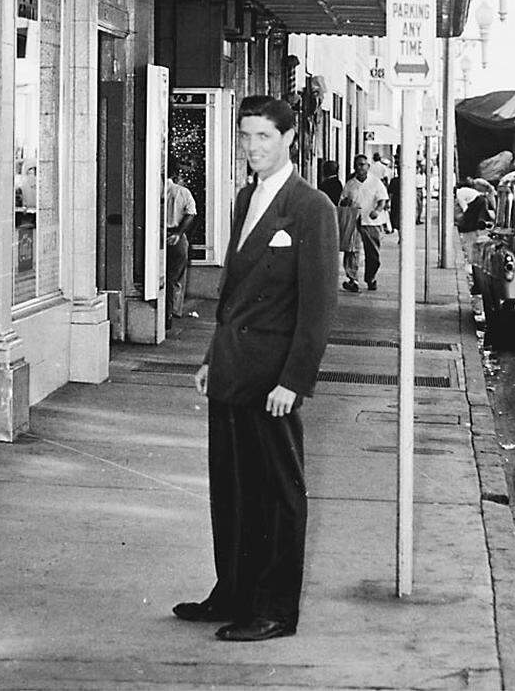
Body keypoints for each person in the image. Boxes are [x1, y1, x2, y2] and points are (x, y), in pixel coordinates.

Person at [173, 95, 338, 643]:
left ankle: (274, 609)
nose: (252, 147)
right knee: (232, 487)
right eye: (245, 136)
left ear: (289, 138)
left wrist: (294, 379)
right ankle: (234, 591)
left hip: (272, 377)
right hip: (233, 369)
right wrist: (210, 357)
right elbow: (233, 292)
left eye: (263, 136)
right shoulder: (246, 198)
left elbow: (318, 305)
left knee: (278, 493)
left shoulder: (311, 207)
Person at [338, 154, 388, 292]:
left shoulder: (376, 182)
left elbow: (383, 199)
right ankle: (352, 279)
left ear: (368, 166)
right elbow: (342, 200)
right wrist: (346, 203)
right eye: (358, 165)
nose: (360, 167)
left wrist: (377, 210)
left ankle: (370, 278)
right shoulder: (350, 184)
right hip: (354, 221)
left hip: (371, 222)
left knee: (373, 254)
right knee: (352, 251)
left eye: (363, 164)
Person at [165, 166, 198, 329]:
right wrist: (179, 233)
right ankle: (172, 311)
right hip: (176, 236)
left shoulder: (154, 189)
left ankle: (165, 312)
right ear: (176, 176)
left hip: (157, 235)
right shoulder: (183, 192)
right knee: (175, 277)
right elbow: (191, 213)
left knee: (162, 277)